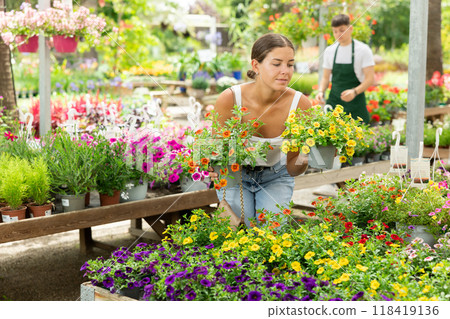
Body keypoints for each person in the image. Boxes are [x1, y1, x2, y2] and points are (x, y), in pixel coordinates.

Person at [210, 33, 311, 227]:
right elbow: (217, 151)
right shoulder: (230, 99)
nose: (285, 71)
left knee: (271, 235)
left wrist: (306, 155)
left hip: (277, 176)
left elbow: (293, 167)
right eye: (277, 64)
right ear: (256, 65)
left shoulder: (300, 105)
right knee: (240, 232)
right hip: (235, 175)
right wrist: (211, 164)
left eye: (290, 64)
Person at [316, 14, 375, 124]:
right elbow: (325, 77)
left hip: (356, 102)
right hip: (334, 101)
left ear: (350, 28)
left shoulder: (363, 50)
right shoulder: (330, 51)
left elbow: (370, 79)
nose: (338, 34)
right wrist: (321, 92)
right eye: (335, 31)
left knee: (358, 137)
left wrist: (354, 91)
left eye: (342, 30)